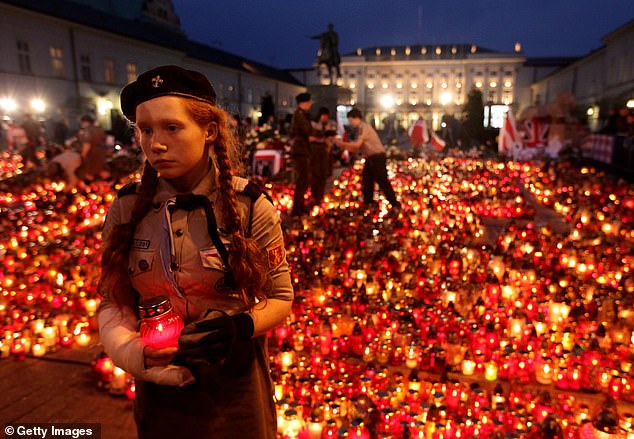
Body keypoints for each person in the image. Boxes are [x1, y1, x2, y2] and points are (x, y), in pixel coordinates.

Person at [97, 65, 293, 439]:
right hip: (160, 393)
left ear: (209, 130)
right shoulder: (126, 208)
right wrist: (134, 355)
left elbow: (281, 297)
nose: (155, 143)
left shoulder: (250, 206)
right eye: (146, 129)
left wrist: (238, 326)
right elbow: (112, 300)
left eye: (172, 127)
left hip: (234, 389)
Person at [335, 108, 401, 211]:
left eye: (351, 120)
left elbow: (356, 145)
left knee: (382, 181)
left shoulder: (364, 128)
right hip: (371, 158)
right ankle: (368, 203)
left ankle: (395, 204)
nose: (351, 123)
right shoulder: (361, 128)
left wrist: (342, 144)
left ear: (356, 118)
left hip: (376, 157)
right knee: (367, 181)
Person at [289, 92, 315, 216]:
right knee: (302, 180)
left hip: (303, 150)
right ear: (303, 103)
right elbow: (307, 130)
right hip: (300, 151)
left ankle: (300, 205)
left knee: (305, 180)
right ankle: (296, 209)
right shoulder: (299, 115)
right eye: (308, 102)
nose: (310, 104)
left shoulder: (303, 114)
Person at [310, 107, 337, 206]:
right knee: (316, 173)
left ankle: (320, 195)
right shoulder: (314, 124)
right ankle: (314, 195)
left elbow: (332, 136)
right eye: (324, 116)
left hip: (326, 151)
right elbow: (311, 138)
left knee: (323, 173)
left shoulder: (329, 125)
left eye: (327, 116)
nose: (325, 118)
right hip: (316, 151)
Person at [78, 113, 109, 181]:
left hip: (92, 154)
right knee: (101, 169)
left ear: (85, 122)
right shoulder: (99, 129)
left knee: (89, 172)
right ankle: (110, 184)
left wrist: (82, 156)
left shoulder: (87, 130)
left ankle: (92, 188)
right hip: (101, 152)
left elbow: (87, 144)